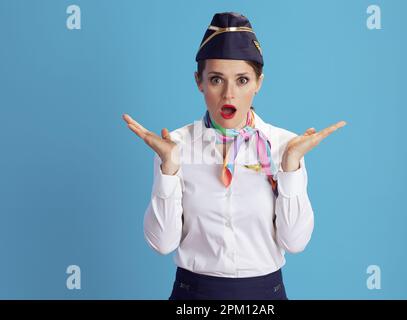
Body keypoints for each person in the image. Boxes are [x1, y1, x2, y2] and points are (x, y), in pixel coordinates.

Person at [122, 12, 346, 300]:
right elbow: (162, 244)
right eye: (216, 79)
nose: (229, 94)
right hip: (193, 296)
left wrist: (290, 168)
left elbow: (295, 242)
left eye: (242, 80)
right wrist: (168, 169)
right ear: (199, 82)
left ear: (258, 83)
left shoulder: (285, 145)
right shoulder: (174, 146)